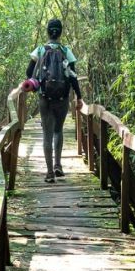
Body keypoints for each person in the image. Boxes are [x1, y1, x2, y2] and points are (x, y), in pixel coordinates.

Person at [26, 19, 84, 183]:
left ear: (47, 32)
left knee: (47, 134)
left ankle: (50, 172)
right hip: (62, 98)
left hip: (45, 97)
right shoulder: (66, 51)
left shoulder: (40, 50)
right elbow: (73, 77)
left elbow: (29, 71)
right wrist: (79, 98)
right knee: (58, 130)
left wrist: (34, 84)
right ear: (60, 32)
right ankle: (58, 165)